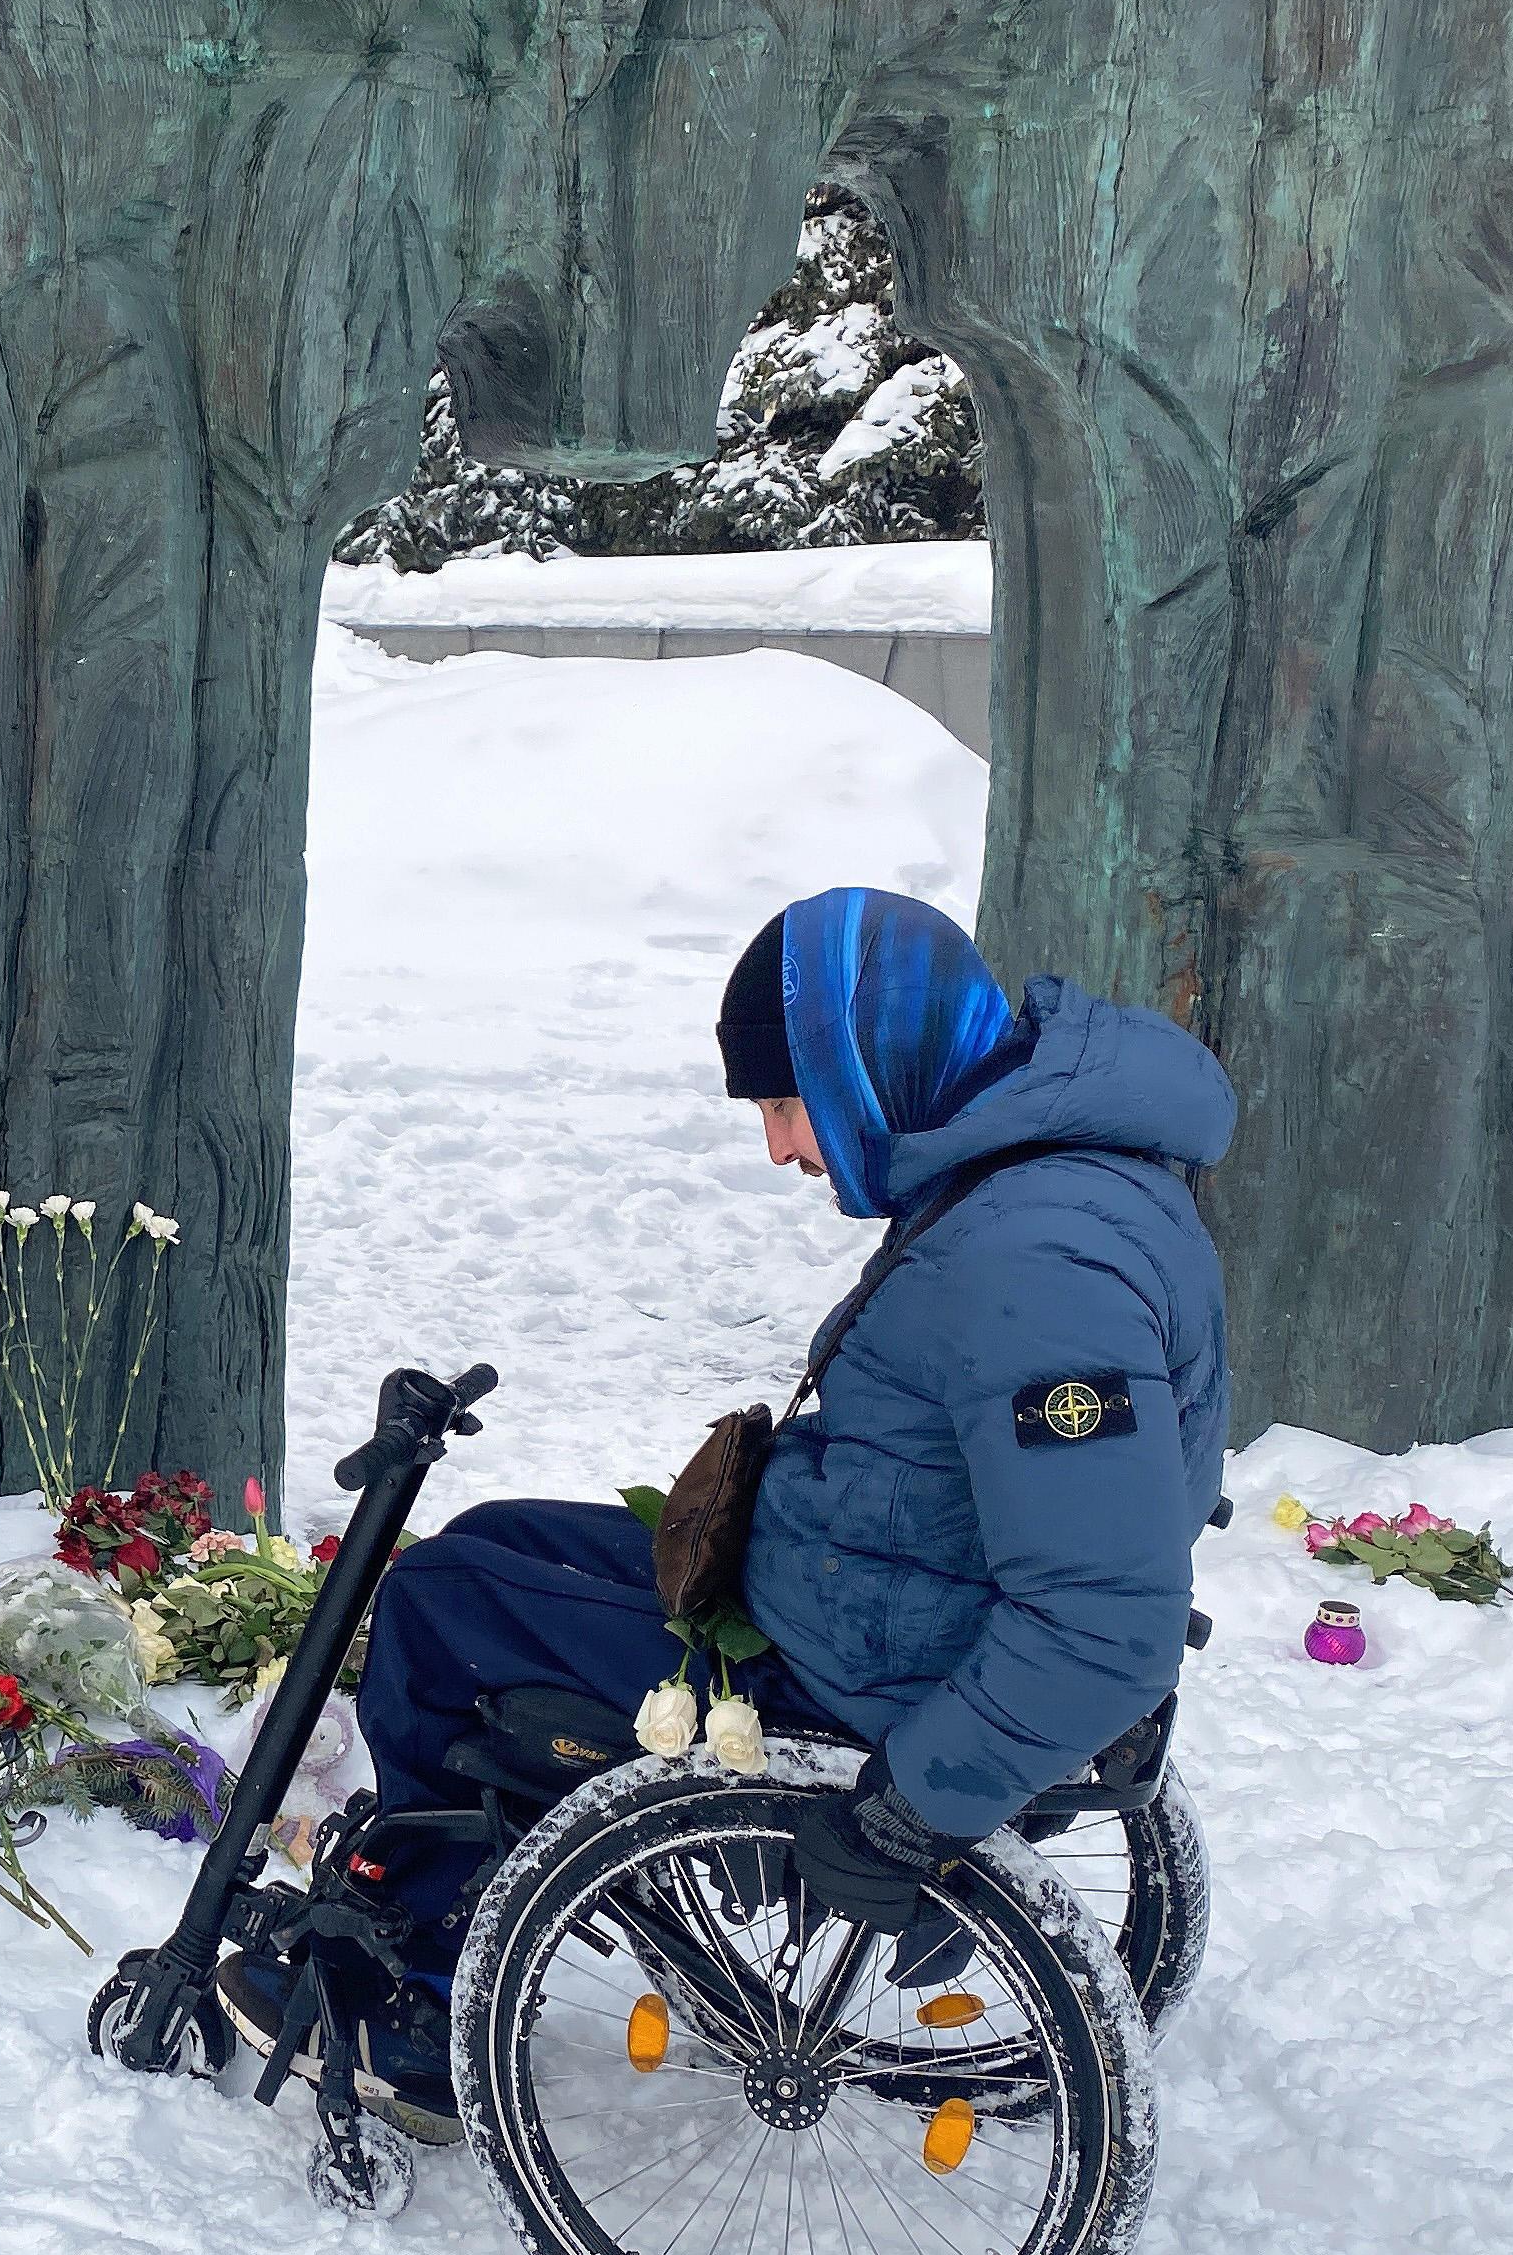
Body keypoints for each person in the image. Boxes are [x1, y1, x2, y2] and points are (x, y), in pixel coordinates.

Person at [215, 887, 1235, 2140]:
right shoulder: (1066, 1176)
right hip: (884, 1598)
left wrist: (914, 1806)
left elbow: (1101, 1619)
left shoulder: (1038, 1266)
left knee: (439, 1609)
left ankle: (413, 2006)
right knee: (500, 1540)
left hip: (870, 1679)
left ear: (867, 1057)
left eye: (782, 1100)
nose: (780, 1149)